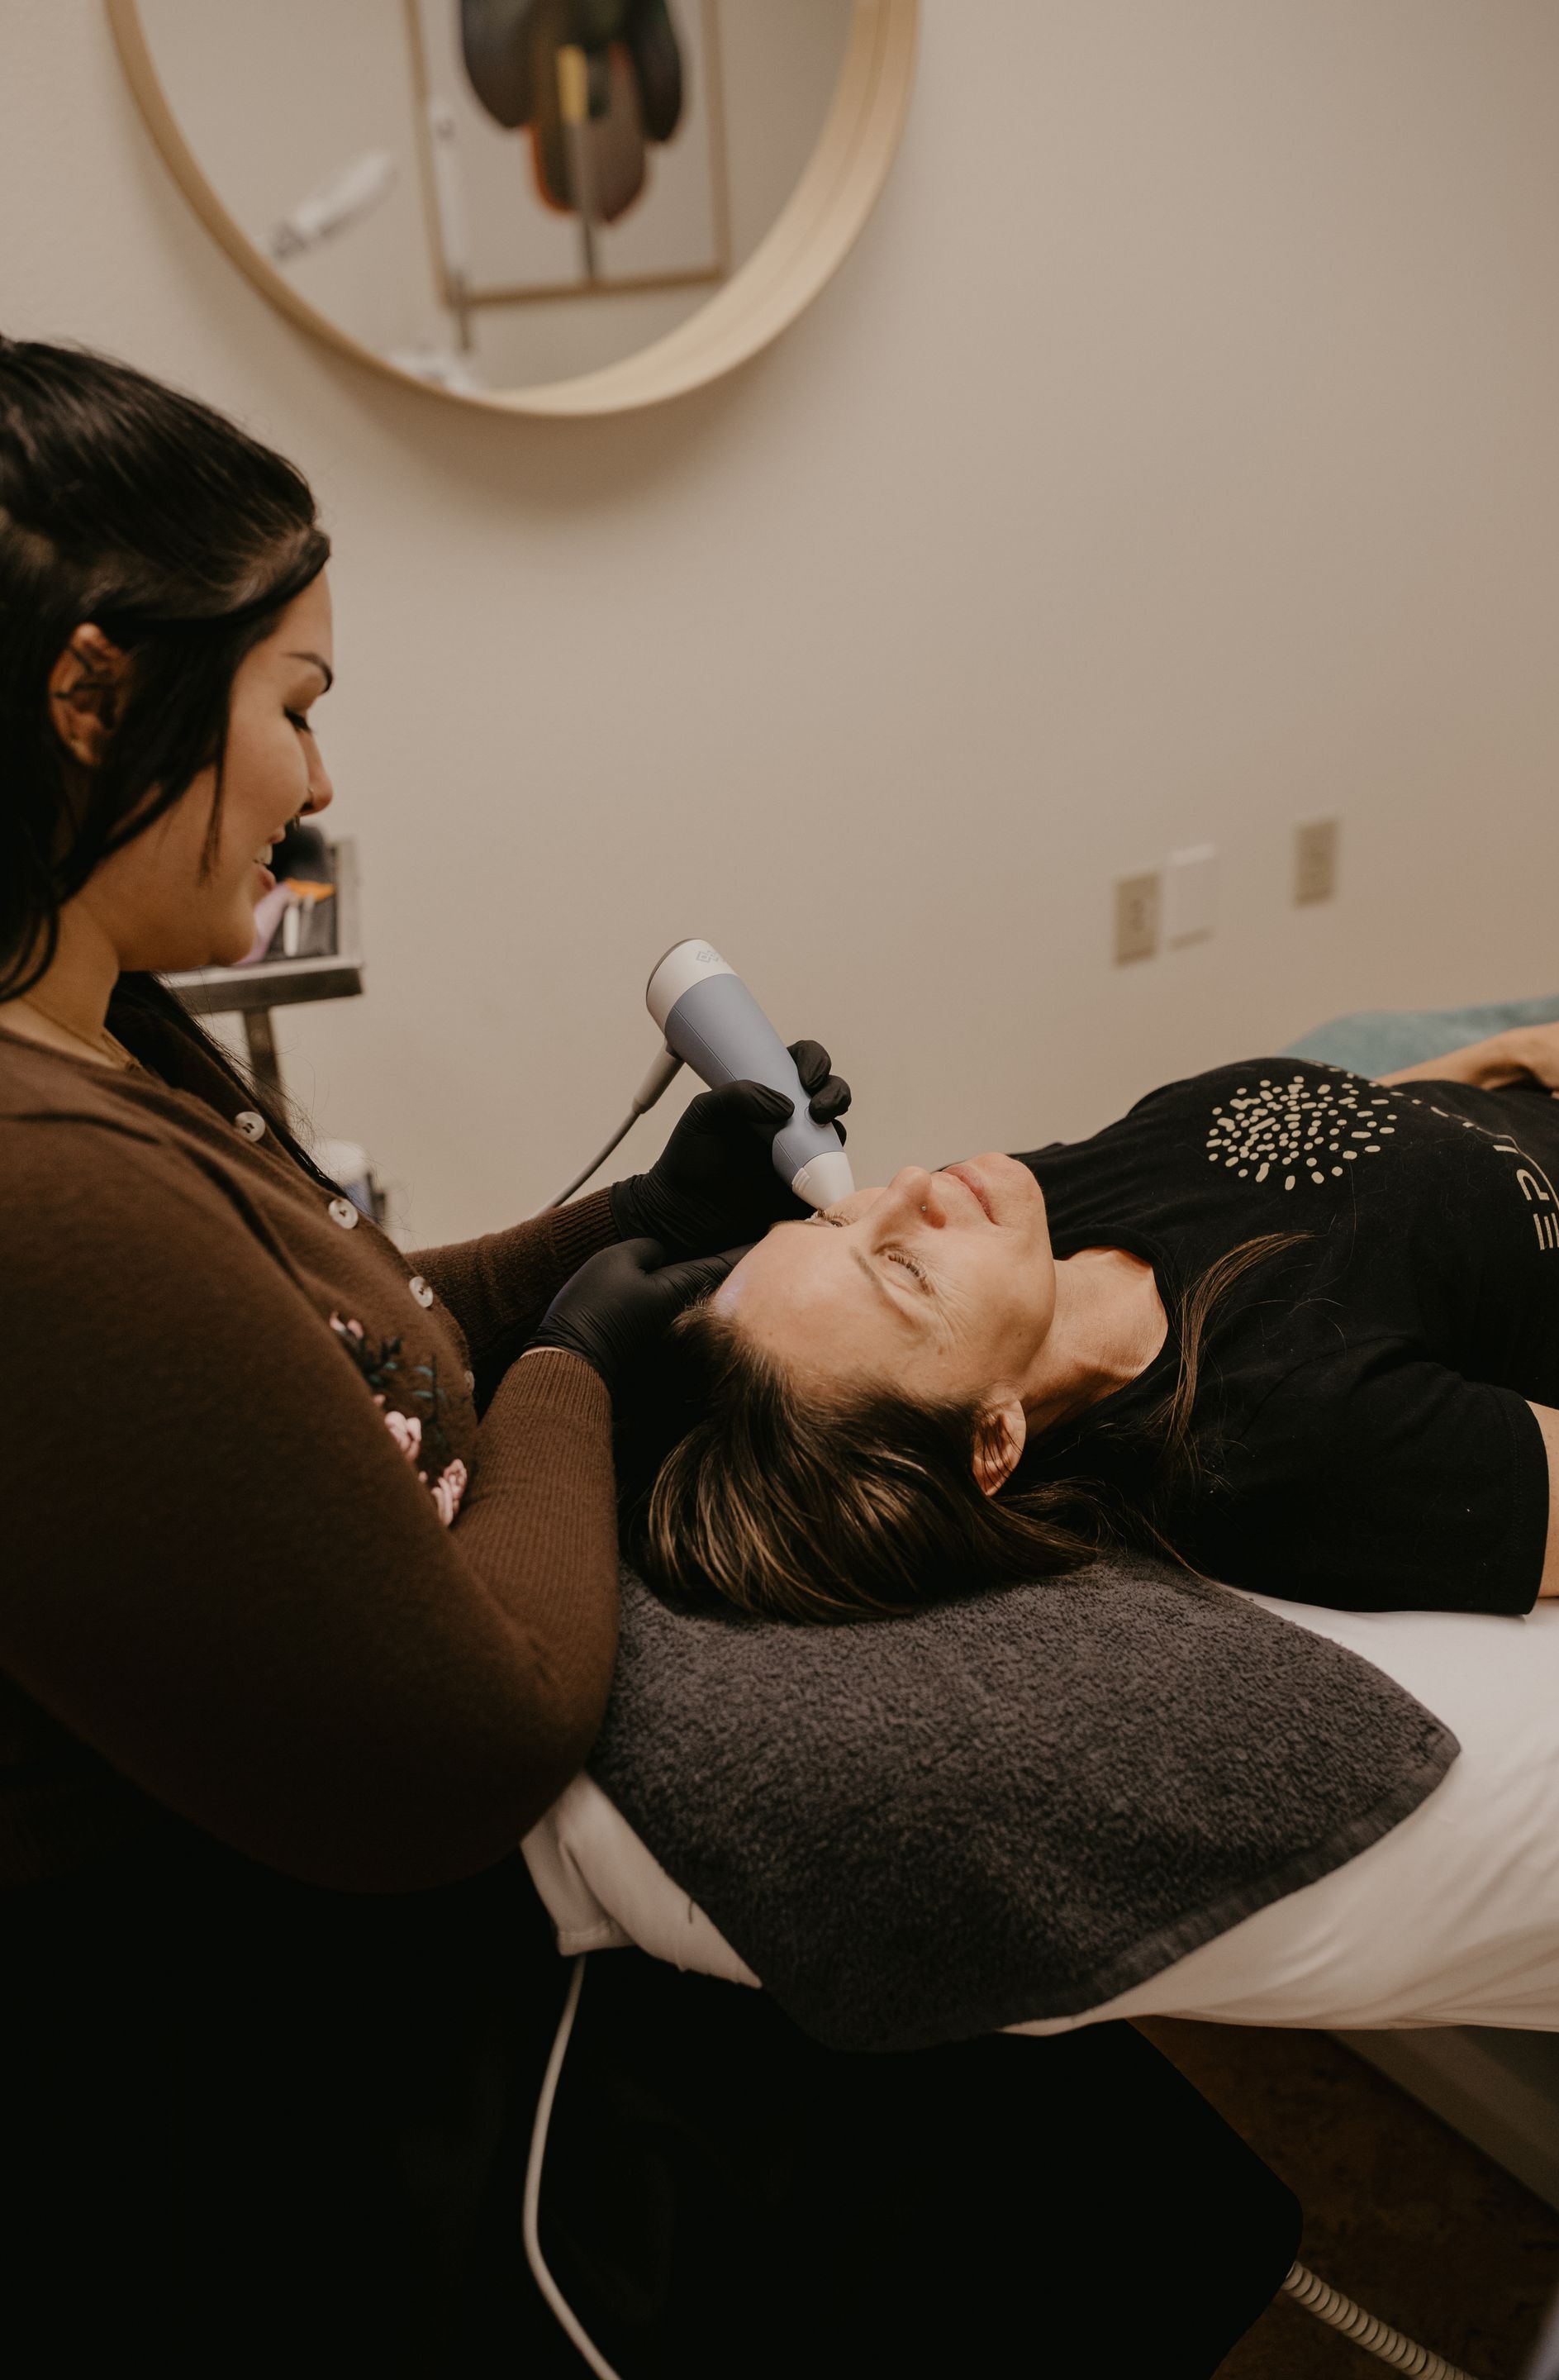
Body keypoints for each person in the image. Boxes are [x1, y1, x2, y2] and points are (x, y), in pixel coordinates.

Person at [0, 336, 849, 2364]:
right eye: (297, 705)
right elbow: (466, 1736)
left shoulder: (80, 1017)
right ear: (94, 689)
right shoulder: (36, 1181)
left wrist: (640, 1222)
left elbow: (300, 1354)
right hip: (235, 2085)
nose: (319, 783)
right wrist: (577, 1357)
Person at [641, 1025, 1559, 1623]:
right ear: (991, 1436)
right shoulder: (1279, 1438)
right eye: (902, 1268)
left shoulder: (1031, 1214)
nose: (913, 1186)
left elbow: (1322, 1134)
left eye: (837, 1221)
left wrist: (1506, 1058)